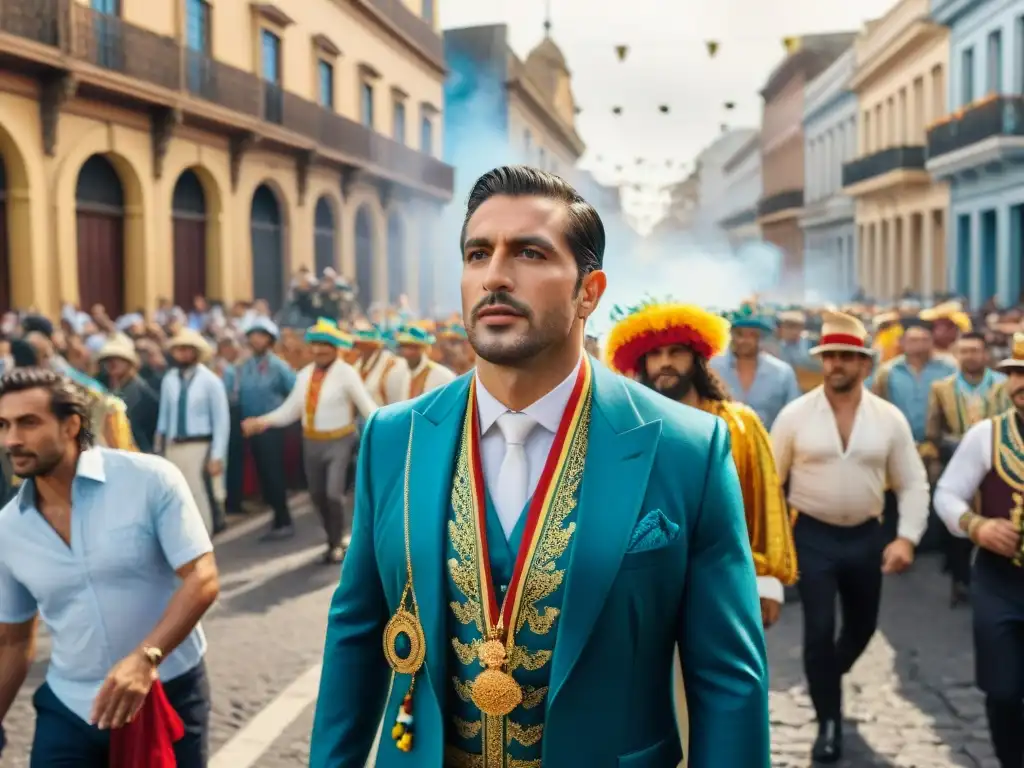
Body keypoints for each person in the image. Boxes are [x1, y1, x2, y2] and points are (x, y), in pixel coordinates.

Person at [309, 166, 770, 768]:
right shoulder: (395, 437)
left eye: (529, 252)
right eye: (478, 253)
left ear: (589, 291)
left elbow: (729, 682)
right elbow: (354, 639)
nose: (495, 276)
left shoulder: (688, 448)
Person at [0, 367, 219, 766]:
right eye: (3, 425)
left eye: (28, 423)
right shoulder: (7, 529)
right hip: (70, 708)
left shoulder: (150, 479)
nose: (11, 439)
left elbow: (202, 577)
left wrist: (145, 658)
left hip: (166, 694)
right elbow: (14, 642)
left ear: (71, 426)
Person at [770, 310, 930, 764]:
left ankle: (825, 675)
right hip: (813, 536)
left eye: (847, 357)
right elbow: (771, 484)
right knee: (818, 630)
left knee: (862, 627)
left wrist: (907, 539)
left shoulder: (889, 419)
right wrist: (774, 547)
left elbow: (913, 482)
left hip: (866, 537)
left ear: (865, 364)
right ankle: (828, 723)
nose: (837, 364)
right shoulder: (794, 415)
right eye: (830, 356)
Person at [604, 299, 798, 619]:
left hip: (726, 581)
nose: (664, 363)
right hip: (648, 589)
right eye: (654, 354)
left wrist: (769, 581)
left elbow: (765, 503)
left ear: (696, 359)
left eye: (675, 352)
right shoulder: (629, 430)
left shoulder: (740, 424)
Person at [933, 332, 1024, 768]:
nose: (1022, 382)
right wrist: (977, 525)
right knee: (1003, 689)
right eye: (1016, 374)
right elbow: (947, 494)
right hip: (999, 580)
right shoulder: (986, 435)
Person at [243, 318, 377, 563]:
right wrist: (261, 421)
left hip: (340, 441)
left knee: (334, 495)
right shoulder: (304, 375)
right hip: (311, 443)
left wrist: (389, 428)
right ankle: (332, 537)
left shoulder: (347, 373)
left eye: (325, 344)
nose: (319, 350)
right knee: (317, 496)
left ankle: (336, 543)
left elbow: (368, 408)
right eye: (315, 344)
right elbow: (290, 411)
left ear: (336, 347)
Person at [925, 331, 1008, 605]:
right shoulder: (942, 387)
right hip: (957, 461)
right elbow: (933, 430)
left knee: (1000, 523)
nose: (971, 356)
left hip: (1000, 465)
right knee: (957, 524)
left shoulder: (1004, 384)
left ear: (986, 354)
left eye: (976, 350)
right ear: (956, 354)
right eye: (965, 351)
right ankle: (960, 580)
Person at [225, 317, 297, 540]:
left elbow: (295, 393)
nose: (256, 340)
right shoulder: (244, 367)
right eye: (252, 336)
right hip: (249, 427)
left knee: (273, 473)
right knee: (263, 474)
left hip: (270, 426)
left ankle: (284, 519)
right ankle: (276, 517)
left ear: (270, 340)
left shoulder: (278, 366)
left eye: (261, 335)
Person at [155, 329, 231, 535]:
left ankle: (204, 535)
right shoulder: (169, 379)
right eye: (179, 350)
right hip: (173, 443)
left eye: (188, 350)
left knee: (198, 492)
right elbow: (164, 414)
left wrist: (217, 455)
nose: (183, 354)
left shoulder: (210, 381)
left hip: (199, 443)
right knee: (176, 493)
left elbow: (221, 420)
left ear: (196, 353)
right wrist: (159, 443)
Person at [709, 303, 801, 429]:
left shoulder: (782, 373)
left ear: (760, 337)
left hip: (769, 445)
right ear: (730, 334)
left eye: (751, 335)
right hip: (722, 446)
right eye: (739, 334)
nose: (743, 341)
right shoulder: (712, 368)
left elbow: (795, 418)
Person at [394, 325, 456, 399]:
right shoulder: (405, 374)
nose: (405, 352)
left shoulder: (441, 375)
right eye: (403, 346)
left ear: (423, 349)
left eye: (411, 347)